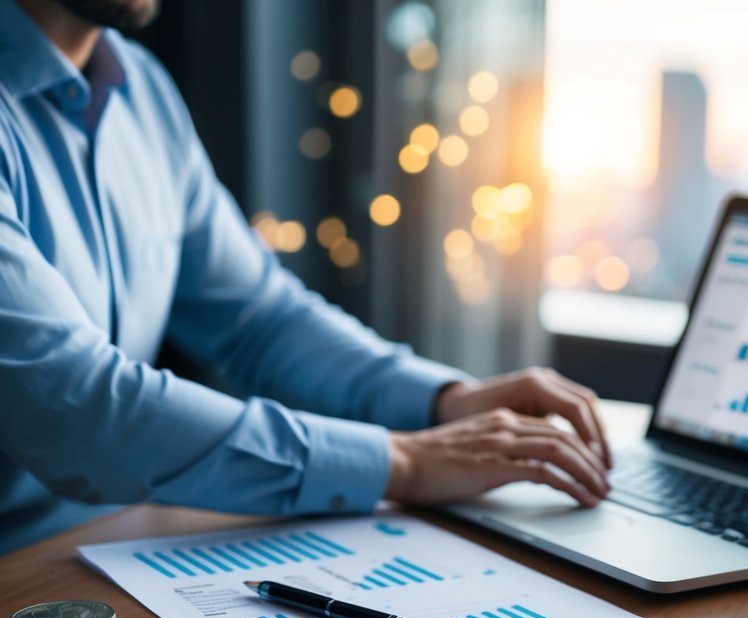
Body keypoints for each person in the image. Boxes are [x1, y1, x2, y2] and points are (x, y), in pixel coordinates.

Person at [0, 0, 612, 555]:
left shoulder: (142, 90)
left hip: (106, 556)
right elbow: (78, 411)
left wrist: (443, 403)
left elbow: (257, 319)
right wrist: (401, 461)